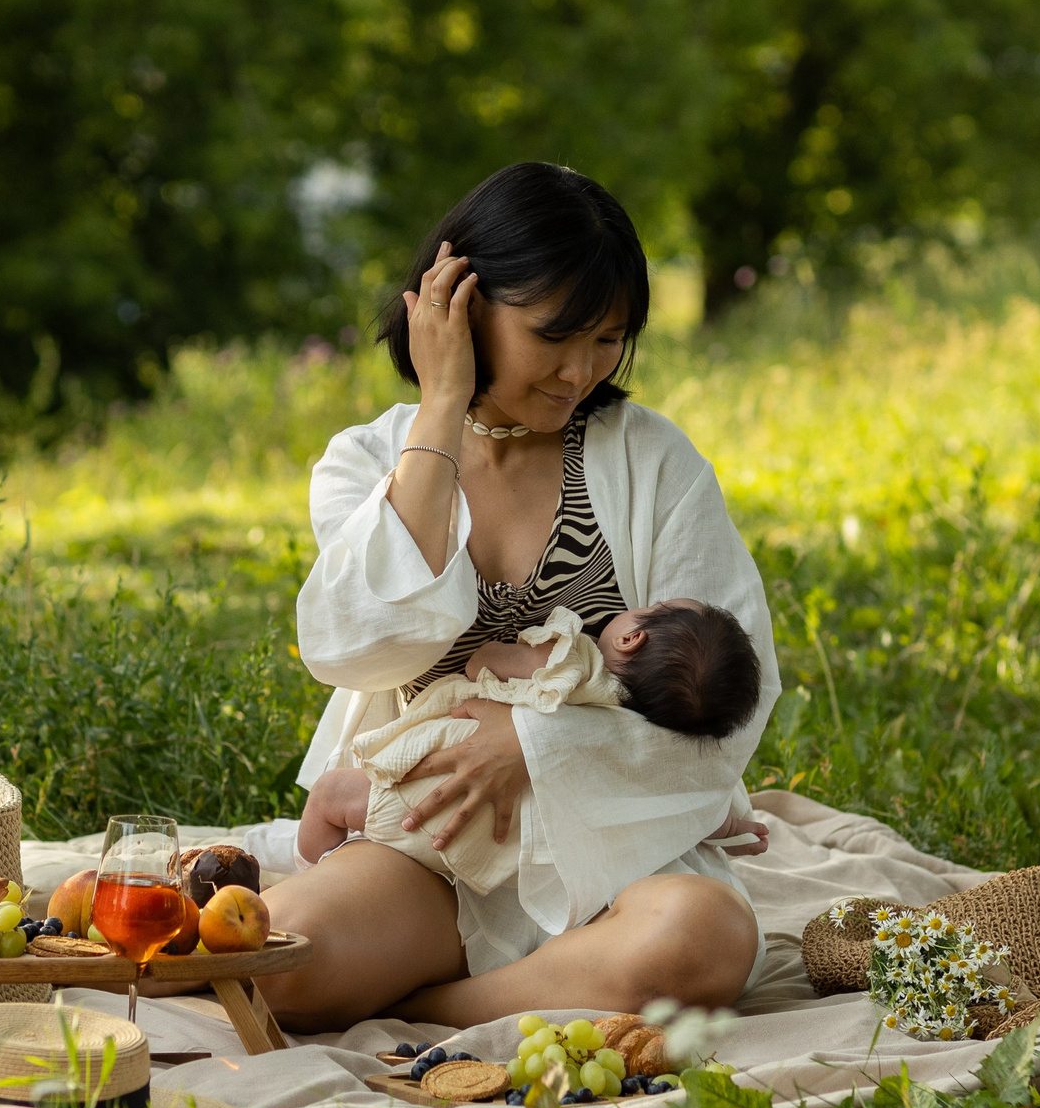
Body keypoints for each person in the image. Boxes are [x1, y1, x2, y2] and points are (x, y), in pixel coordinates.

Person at [261, 161, 782, 1032]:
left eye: (609, 339)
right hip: (433, 842)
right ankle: (555, 984)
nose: (580, 370)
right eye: (555, 335)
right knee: (277, 963)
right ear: (461, 307)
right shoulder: (366, 461)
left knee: (702, 938)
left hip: (609, 844)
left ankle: (433, 1006)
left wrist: (535, 741)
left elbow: (733, 696)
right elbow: (360, 649)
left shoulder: (651, 460)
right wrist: (442, 407)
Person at [293, 598, 763, 871]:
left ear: (630, 638)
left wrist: (515, 653)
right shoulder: (640, 741)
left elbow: (482, 662)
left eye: (650, 607)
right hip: (488, 845)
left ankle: (311, 871)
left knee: (332, 794)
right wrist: (731, 827)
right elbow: (684, 806)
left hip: (427, 793)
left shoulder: (570, 664)